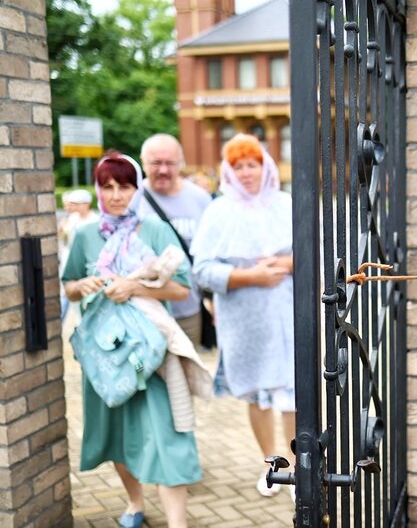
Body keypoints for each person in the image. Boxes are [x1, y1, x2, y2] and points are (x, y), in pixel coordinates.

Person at [62, 152, 202, 528]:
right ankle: (135, 504)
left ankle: (177, 523)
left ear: (136, 188)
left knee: (167, 437)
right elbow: (69, 287)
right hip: (105, 355)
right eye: (107, 187)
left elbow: (181, 289)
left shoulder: (155, 230)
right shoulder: (85, 235)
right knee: (115, 435)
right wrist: (82, 285)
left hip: (152, 353)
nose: (116, 195)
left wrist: (135, 287)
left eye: (124, 186)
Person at [191, 134, 295, 499]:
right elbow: (201, 270)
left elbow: (317, 252)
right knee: (257, 395)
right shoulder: (218, 211)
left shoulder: (286, 203)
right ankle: (273, 465)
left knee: (292, 394)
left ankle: (299, 471)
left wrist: (284, 263)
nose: (247, 173)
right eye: (238, 166)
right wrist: (250, 276)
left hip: (287, 313)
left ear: (265, 166)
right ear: (228, 172)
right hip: (244, 319)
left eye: (252, 164)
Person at [137, 133, 212, 349]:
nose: (163, 170)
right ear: (144, 163)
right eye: (156, 163)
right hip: (144, 309)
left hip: (187, 309)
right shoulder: (133, 199)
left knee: (189, 374)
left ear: (181, 164)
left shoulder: (200, 199)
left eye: (170, 163)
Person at [58, 189, 99, 319]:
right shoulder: (72, 218)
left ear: (86, 204)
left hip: (87, 268)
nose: (71, 207)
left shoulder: (95, 221)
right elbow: (63, 239)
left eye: (75, 204)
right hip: (69, 265)